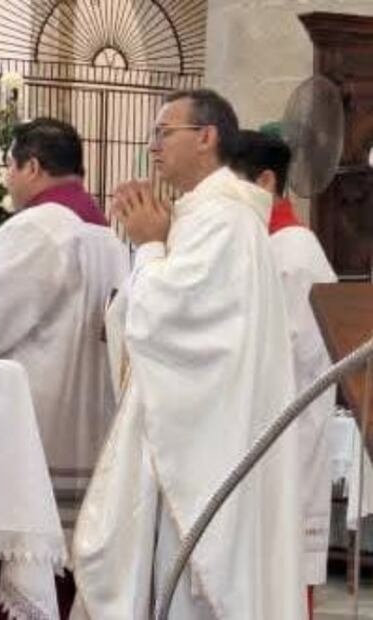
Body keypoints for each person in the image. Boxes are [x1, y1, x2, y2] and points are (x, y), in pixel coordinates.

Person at [71, 89, 305, 619]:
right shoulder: (202, 214)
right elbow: (145, 315)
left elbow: (167, 320)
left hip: (206, 441)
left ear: (206, 137)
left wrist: (150, 244)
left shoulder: (225, 219)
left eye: (164, 132)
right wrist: (153, 245)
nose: (153, 146)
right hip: (189, 427)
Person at [0, 118, 128, 618]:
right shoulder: (107, 236)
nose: (7, 179)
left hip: (37, 422)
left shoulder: (38, 227)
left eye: (10, 166)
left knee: (6, 567)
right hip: (88, 426)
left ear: (31, 166)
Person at [230, 129, 337, 615]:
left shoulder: (292, 250)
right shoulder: (264, 244)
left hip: (281, 439)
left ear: (265, 183)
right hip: (258, 435)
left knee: (279, 582)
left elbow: (280, 354)